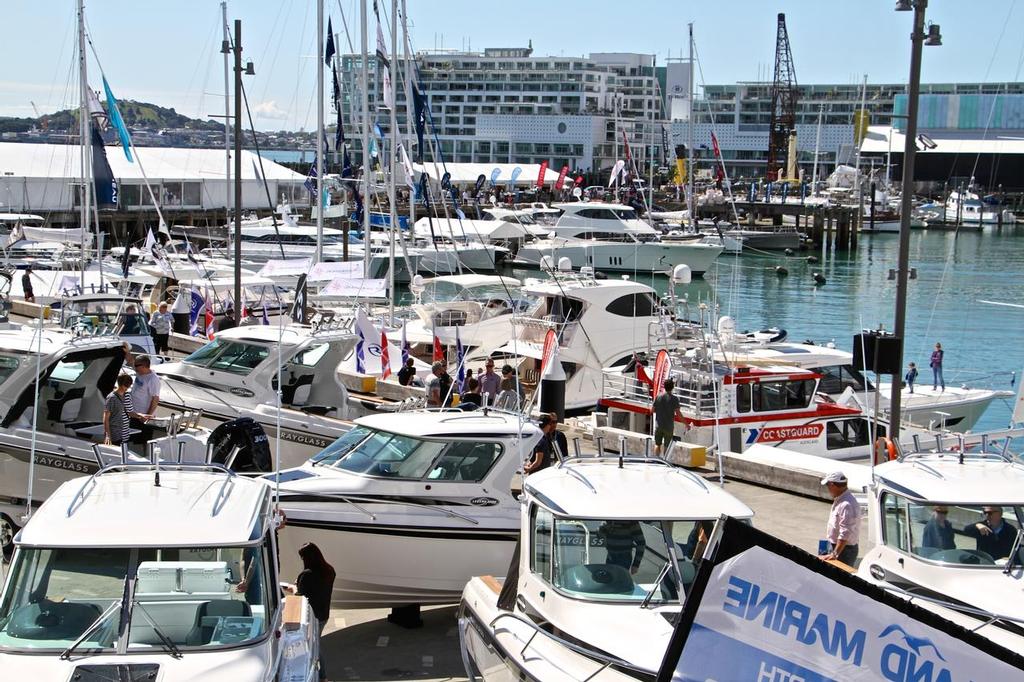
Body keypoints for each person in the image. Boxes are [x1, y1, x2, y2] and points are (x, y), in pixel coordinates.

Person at [291, 543, 336, 682]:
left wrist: (294, 587)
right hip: (324, 614)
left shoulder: (306, 575)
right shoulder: (329, 570)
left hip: (312, 615)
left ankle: (323, 677)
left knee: (315, 645)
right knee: (316, 643)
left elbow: (300, 597)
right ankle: (322, 676)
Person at [819, 471, 860, 566]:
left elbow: (845, 532)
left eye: (828, 485)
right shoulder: (841, 499)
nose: (828, 489)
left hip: (843, 551)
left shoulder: (846, 504)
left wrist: (835, 553)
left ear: (832, 485)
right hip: (837, 546)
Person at [103, 374, 147, 446]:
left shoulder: (127, 395)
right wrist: (107, 435)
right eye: (126, 385)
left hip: (125, 432)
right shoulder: (111, 398)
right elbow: (106, 418)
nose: (127, 387)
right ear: (120, 384)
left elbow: (130, 412)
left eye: (129, 385)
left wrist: (141, 416)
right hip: (115, 433)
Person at [129, 355, 161, 443]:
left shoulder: (153, 380)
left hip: (143, 416)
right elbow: (130, 360)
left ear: (143, 366)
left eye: (136, 366)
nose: (134, 368)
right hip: (135, 414)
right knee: (131, 437)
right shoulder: (140, 373)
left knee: (142, 440)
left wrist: (148, 415)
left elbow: (156, 399)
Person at [653, 379, 683, 457]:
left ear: (664, 387)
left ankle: (656, 460)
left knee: (657, 444)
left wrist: (660, 411)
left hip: (658, 425)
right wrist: (686, 424)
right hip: (668, 427)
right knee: (667, 446)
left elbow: (652, 410)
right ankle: (665, 461)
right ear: (672, 387)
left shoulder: (658, 396)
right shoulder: (674, 399)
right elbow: (678, 413)